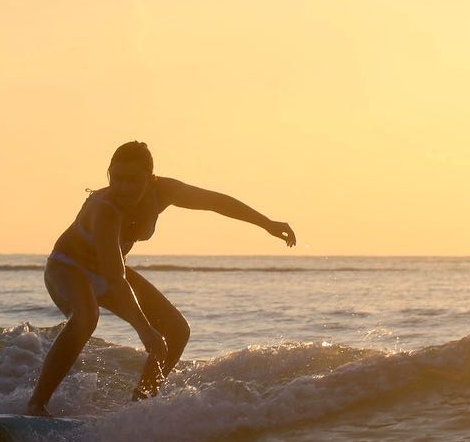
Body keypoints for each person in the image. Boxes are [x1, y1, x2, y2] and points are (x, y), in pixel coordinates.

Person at [27, 141, 296, 416]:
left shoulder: (163, 192)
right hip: (68, 267)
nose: (123, 188)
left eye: (133, 180)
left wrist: (267, 224)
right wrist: (145, 331)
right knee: (86, 317)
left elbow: (215, 201)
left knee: (177, 331)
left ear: (150, 178)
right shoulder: (104, 209)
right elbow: (115, 279)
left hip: (109, 269)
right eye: (116, 178)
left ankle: (140, 405)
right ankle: (36, 405)